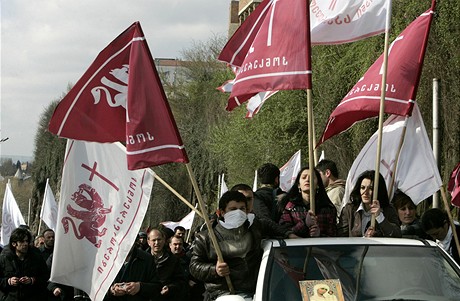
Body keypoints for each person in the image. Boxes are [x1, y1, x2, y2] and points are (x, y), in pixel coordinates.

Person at [189, 190, 264, 301]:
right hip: (223, 293)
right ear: (222, 212)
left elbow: (275, 228)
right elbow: (194, 266)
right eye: (233, 209)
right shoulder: (206, 238)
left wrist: (289, 234)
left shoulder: (254, 229)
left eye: (242, 209)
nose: (238, 213)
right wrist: (215, 270)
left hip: (254, 291)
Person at [338, 170, 401, 238]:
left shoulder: (388, 210)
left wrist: (380, 217)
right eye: (362, 188)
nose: (366, 192)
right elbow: (341, 237)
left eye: (371, 188)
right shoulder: (349, 210)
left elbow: (397, 234)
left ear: (379, 190)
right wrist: (364, 239)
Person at [278, 167, 337, 237]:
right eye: (304, 177)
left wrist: (320, 234)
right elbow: (285, 232)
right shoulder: (289, 207)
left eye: (312, 177)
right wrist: (304, 224)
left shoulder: (327, 208)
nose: (307, 180)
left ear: (318, 184)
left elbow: (333, 235)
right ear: (299, 185)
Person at [230, 183, 297, 239]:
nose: (246, 203)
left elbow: (277, 228)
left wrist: (290, 235)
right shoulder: (221, 226)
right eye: (241, 198)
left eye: (249, 199)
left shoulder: (259, 224)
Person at [0, 227, 49, 300]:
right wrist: (8, 281)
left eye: (26, 241)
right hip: (10, 297)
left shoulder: (36, 257)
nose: (25, 244)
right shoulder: (5, 258)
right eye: (22, 241)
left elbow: (45, 276)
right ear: (14, 244)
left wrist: (32, 280)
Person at [147, 228, 187, 301]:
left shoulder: (173, 260)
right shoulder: (142, 259)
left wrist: (170, 288)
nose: (157, 243)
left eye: (159, 240)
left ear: (164, 240)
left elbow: (180, 281)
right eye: (153, 240)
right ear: (148, 242)